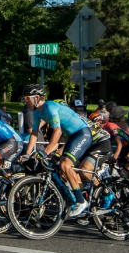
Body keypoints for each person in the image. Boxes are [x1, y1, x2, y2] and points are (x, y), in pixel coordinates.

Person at [21, 84, 93, 217]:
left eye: (27, 98)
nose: (25, 100)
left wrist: (45, 152)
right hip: (72, 136)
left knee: (65, 164)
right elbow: (34, 134)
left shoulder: (50, 107)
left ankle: (81, 201)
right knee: (59, 166)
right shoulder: (37, 112)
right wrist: (27, 154)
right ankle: (71, 197)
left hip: (82, 133)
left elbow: (57, 132)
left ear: (37, 98)